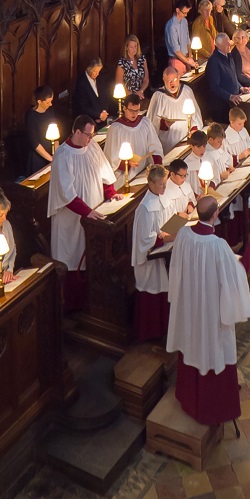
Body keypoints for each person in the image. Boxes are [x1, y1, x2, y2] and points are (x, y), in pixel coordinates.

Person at [166, 192, 250, 426]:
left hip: (190, 306)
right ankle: (214, 407)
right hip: (211, 311)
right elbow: (233, 277)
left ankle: (189, 399)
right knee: (213, 349)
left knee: (192, 344)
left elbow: (175, 268)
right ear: (216, 214)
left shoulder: (183, 235)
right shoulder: (219, 246)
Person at [47, 116, 116, 313]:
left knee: (91, 257)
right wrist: (87, 212)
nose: (91, 138)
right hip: (72, 220)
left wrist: (111, 193)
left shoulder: (92, 147)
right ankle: (73, 309)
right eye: (88, 134)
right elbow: (66, 194)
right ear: (77, 132)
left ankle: (91, 303)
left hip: (92, 214)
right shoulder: (63, 156)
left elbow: (104, 171)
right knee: (73, 256)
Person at [131, 165, 174, 343]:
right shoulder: (145, 208)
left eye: (165, 183)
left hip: (160, 254)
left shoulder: (159, 198)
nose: (165, 187)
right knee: (152, 291)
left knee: (162, 288)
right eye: (161, 184)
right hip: (148, 259)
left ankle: (162, 328)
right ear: (151, 183)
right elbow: (144, 239)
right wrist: (164, 237)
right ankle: (150, 333)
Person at [147, 60, 197, 153]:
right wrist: (164, 124)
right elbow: (151, 125)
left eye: (174, 79)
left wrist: (194, 130)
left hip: (187, 140)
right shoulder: (158, 97)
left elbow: (196, 116)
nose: (172, 83)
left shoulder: (186, 91)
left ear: (178, 77)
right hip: (169, 144)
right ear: (163, 80)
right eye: (168, 80)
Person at [203, 30, 250, 123]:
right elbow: (214, 87)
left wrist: (240, 88)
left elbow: (233, 76)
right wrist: (230, 96)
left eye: (229, 42)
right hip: (222, 107)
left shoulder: (229, 55)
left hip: (234, 102)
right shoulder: (214, 61)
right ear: (218, 46)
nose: (229, 45)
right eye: (226, 44)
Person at [110, 91, 162, 175]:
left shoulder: (145, 122)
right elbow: (111, 156)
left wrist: (157, 162)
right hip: (126, 174)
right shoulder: (116, 128)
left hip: (144, 170)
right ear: (124, 108)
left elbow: (154, 145)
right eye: (131, 110)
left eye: (137, 110)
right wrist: (127, 163)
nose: (134, 114)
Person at [72, 55, 112, 129]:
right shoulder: (81, 82)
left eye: (98, 71)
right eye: (95, 71)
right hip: (90, 121)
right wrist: (98, 115)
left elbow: (106, 97)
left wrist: (104, 113)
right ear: (89, 69)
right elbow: (83, 106)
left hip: (103, 119)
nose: (97, 74)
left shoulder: (101, 77)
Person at [26, 85, 58, 168]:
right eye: (48, 102)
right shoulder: (31, 116)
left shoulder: (50, 111)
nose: (50, 104)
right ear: (39, 101)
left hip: (51, 150)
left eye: (51, 101)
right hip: (38, 155)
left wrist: (57, 154)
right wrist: (50, 158)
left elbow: (56, 132)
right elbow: (34, 143)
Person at [116, 33, 150, 103]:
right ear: (126, 47)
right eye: (131, 47)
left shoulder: (142, 59)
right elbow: (119, 83)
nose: (134, 49)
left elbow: (146, 79)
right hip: (128, 97)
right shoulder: (122, 63)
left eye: (135, 46)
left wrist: (141, 91)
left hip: (141, 95)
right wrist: (131, 94)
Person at [164, 2, 193, 67]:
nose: (186, 15)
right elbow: (176, 51)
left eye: (187, 12)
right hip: (176, 61)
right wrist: (189, 62)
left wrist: (190, 56)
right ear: (177, 10)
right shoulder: (171, 26)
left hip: (186, 58)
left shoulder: (184, 21)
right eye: (184, 13)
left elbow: (187, 40)